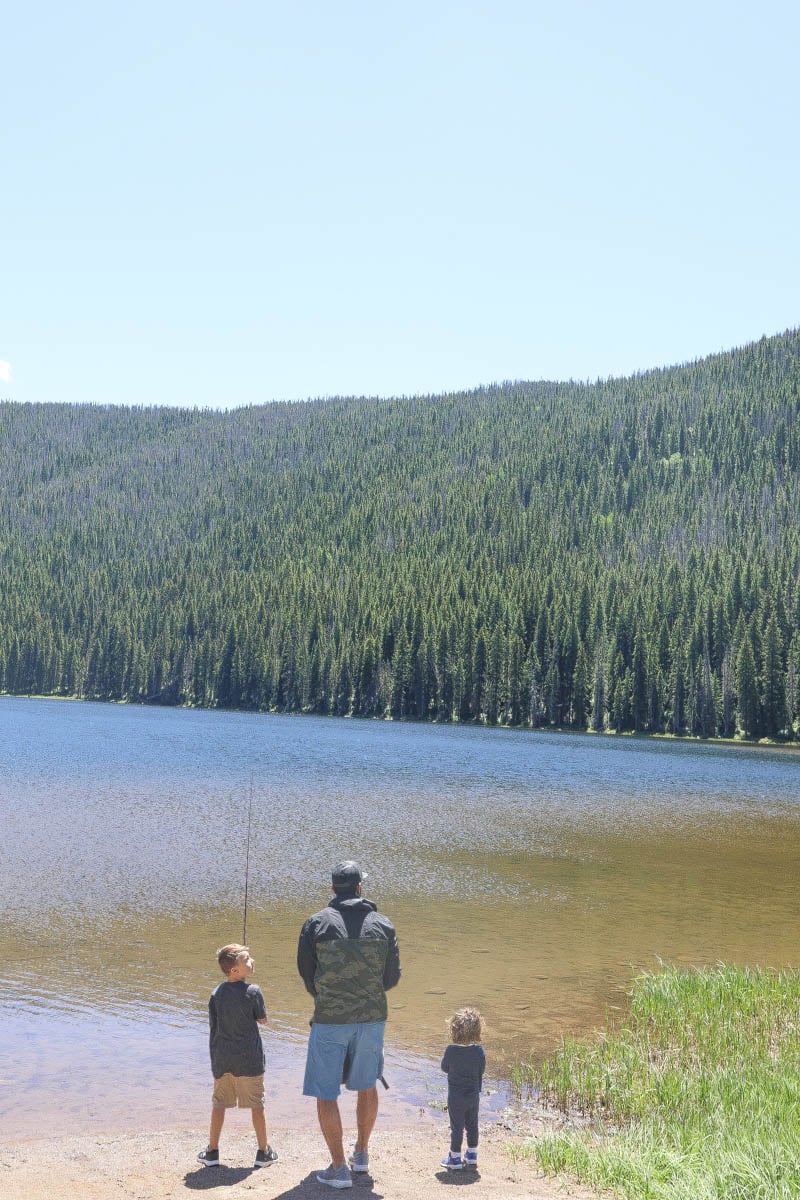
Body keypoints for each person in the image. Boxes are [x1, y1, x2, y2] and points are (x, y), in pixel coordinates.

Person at [297, 860, 401, 1189]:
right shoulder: (383, 925)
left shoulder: (314, 924)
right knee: (367, 1083)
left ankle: (339, 1168)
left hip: (330, 1018)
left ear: (332, 889)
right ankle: (362, 1153)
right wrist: (364, 995)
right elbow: (392, 977)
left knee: (326, 1092)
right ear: (360, 888)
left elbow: (307, 974)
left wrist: (328, 994)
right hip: (371, 1018)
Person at [197, 944, 278, 1169]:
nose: (251, 961)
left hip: (223, 1059)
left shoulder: (216, 993)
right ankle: (263, 1153)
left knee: (219, 1105)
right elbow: (262, 1020)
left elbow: (215, 1025)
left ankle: (212, 1152)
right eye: (246, 960)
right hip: (249, 1060)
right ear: (235, 970)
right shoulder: (253, 991)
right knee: (257, 1106)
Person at [439, 1006, 486, 1171]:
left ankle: (455, 1157)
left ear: (454, 1030)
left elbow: (444, 1067)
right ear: (477, 1031)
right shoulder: (479, 1051)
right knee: (473, 1124)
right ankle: (472, 1155)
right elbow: (481, 1069)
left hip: (456, 1097)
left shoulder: (451, 1051)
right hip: (473, 1095)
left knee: (456, 1127)